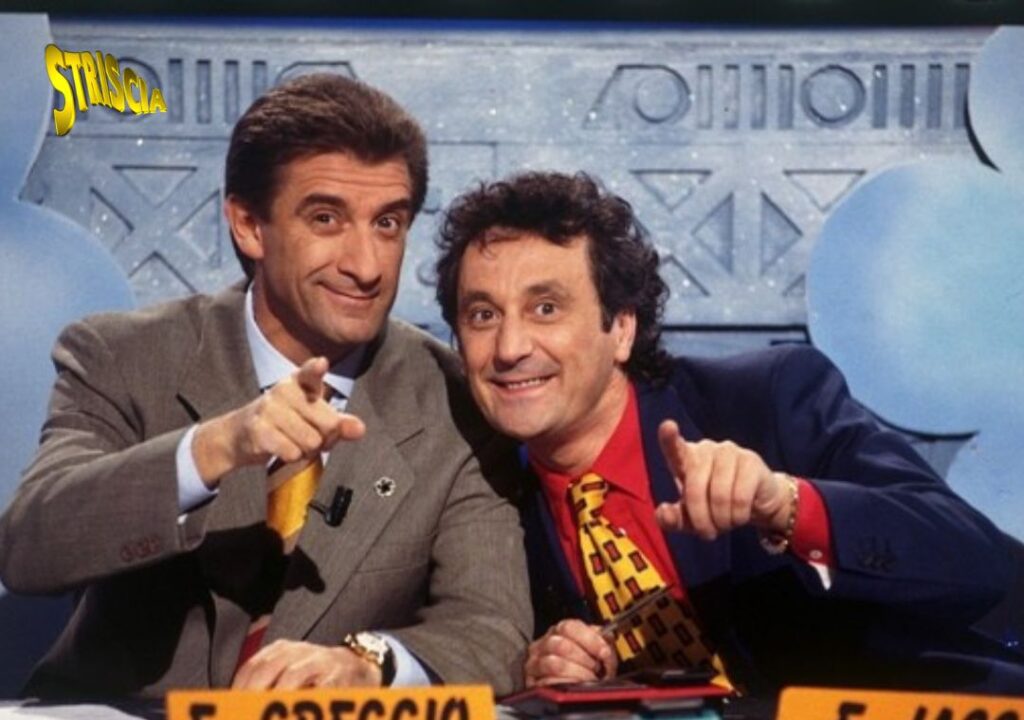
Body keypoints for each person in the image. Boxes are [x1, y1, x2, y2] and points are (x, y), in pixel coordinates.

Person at [0, 74, 531, 699]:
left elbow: (493, 627)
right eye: (326, 218)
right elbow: (30, 547)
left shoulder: (454, 402)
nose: (366, 266)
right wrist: (214, 448)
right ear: (249, 225)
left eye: (388, 223)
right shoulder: (122, 356)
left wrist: (371, 663)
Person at [433, 170, 1024, 694]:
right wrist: (550, 675)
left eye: (546, 308)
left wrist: (787, 506)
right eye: (483, 315)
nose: (509, 348)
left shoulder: (768, 399)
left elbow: (977, 561)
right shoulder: (485, 505)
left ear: (622, 329)